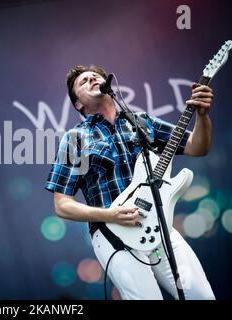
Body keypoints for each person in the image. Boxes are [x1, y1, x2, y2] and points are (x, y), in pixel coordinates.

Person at [44, 65, 215, 300]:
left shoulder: (142, 122)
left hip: (161, 229)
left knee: (202, 297)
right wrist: (110, 214)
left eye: (96, 76)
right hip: (114, 236)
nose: (92, 78)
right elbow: (61, 204)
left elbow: (198, 146)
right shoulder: (75, 138)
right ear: (78, 104)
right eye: (83, 82)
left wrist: (202, 115)